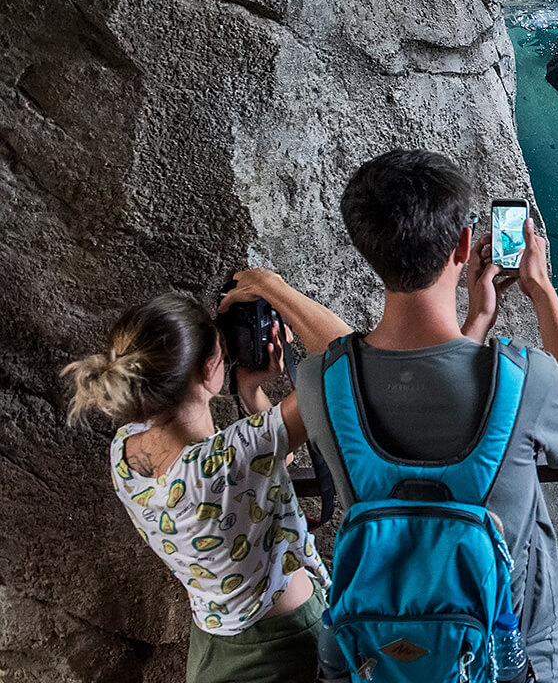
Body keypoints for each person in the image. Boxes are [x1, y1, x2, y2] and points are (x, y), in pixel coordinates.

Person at [297, 150, 558, 682]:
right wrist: (540, 289)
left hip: (385, 657)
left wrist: (476, 321)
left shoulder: (321, 381)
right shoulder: (524, 379)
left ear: (366, 247)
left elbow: (420, 390)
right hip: (518, 657)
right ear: (464, 245)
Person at [66, 271, 350, 683]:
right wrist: (273, 287)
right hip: (285, 648)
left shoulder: (124, 451)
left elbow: (253, 477)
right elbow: (350, 360)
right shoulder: (231, 456)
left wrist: (252, 392)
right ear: (208, 368)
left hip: (215, 649)